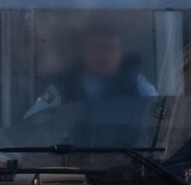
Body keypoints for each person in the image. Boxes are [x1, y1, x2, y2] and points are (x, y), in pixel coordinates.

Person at [25, 29, 156, 118]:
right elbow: (32, 120)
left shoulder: (137, 84)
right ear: (84, 53)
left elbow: (159, 116)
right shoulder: (62, 87)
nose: (104, 55)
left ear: (120, 54)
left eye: (111, 48)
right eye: (98, 48)